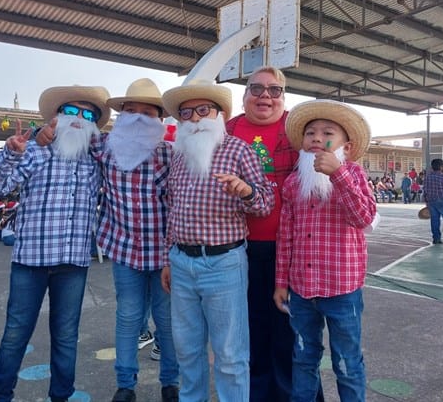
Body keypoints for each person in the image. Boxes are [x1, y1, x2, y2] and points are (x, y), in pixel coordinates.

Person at [0, 85, 111, 402]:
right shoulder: (34, 151)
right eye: (71, 111)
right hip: (30, 262)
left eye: (88, 114)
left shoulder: (95, 160)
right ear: (56, 116)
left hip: (74, 264)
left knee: (67, 338)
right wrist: (12, 151)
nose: (79, 118)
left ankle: (61, 397)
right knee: (15, 335)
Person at [160, 79, 275, 402]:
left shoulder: (239, 150)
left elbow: (265, 202)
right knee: (187, 348)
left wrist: (246, 191)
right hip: (182, 263)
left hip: (224, 263)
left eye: (202, 110)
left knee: (229, 353)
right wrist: (169, 257)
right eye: (186, 113)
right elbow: (173, 206)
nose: (194, 118)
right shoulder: (178, 156)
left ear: (219, 113)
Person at [274, 99, 376, 402]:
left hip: (342, 290)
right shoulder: (294, 182)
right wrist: (281, 282)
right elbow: (286, 235)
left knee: (346, 361)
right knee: (303, 359)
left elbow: (364, 218)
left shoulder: (354, 175)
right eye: (310, 133)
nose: (317, 138)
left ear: (347, 143)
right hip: (302, 290)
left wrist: (338, 175)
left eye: (327, 132)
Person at [225, 66, 308, 402]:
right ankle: (257, 395)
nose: (265, 96)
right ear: (244, 96)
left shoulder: (300, 130)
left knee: (291, 332)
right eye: (256, 89)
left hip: (289, 249)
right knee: (251, 330)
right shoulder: (225, 130)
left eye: (274, 90)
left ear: (283, 97)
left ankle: (294, 395)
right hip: (238, 249)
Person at [95, 79, 179, 402]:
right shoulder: (104, 147)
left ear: (159, 118)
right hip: (124, 249)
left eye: (148, 112)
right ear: (122, 114)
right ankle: (125, 385)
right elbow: (67, 138)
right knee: (128, 319)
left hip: (164, 256)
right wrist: (39, 133)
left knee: (167, 323)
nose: (140, 117)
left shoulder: (171, 154)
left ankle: (170, 383)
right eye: (132, 111)